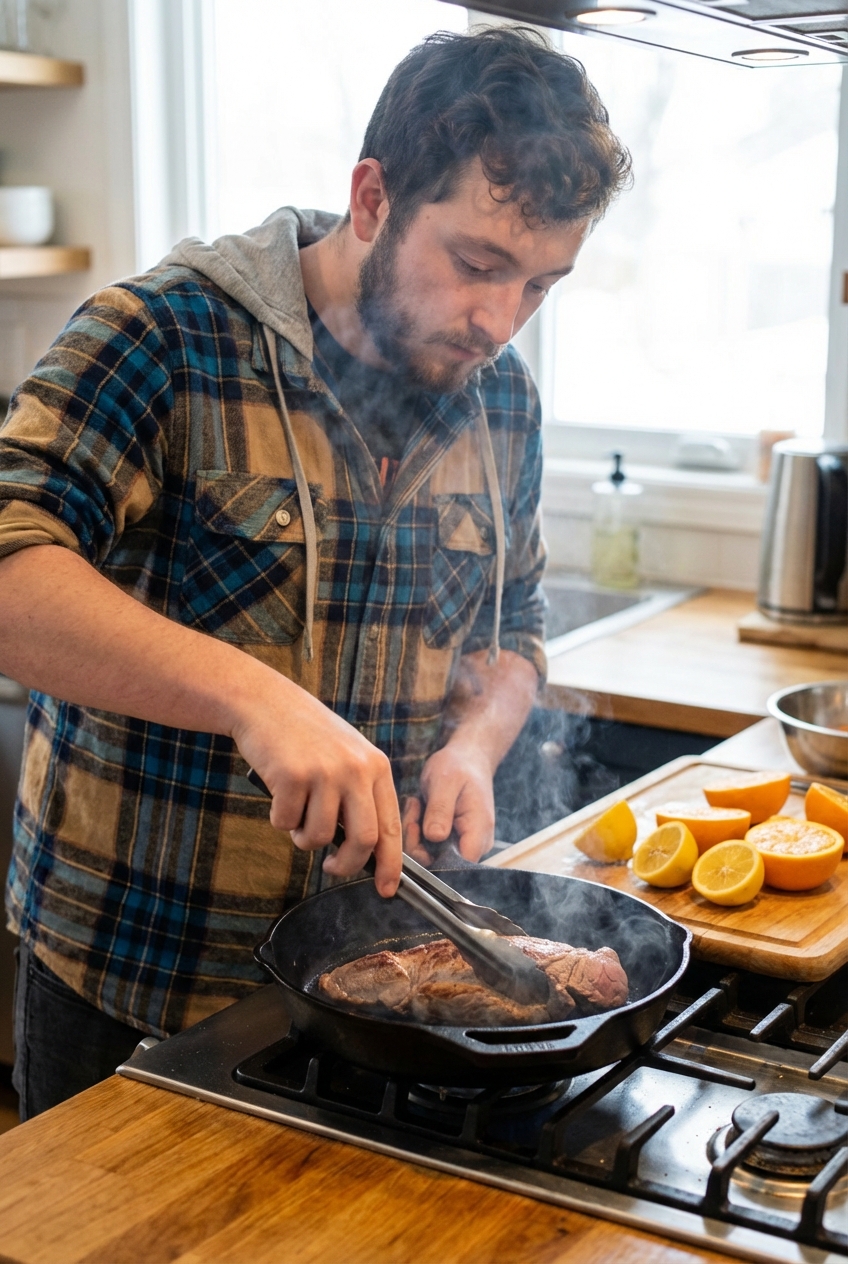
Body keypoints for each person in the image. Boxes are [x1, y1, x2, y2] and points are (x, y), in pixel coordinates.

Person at [0, 25, 630, 1117]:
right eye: (477, 264)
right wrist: (253, 698)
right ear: (373, 197)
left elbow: (513, 626)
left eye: (538, 284)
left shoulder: (503, 396)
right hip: (143, 987)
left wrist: (476, 747)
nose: (498, 319)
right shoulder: (165, 336)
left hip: (385, 998)